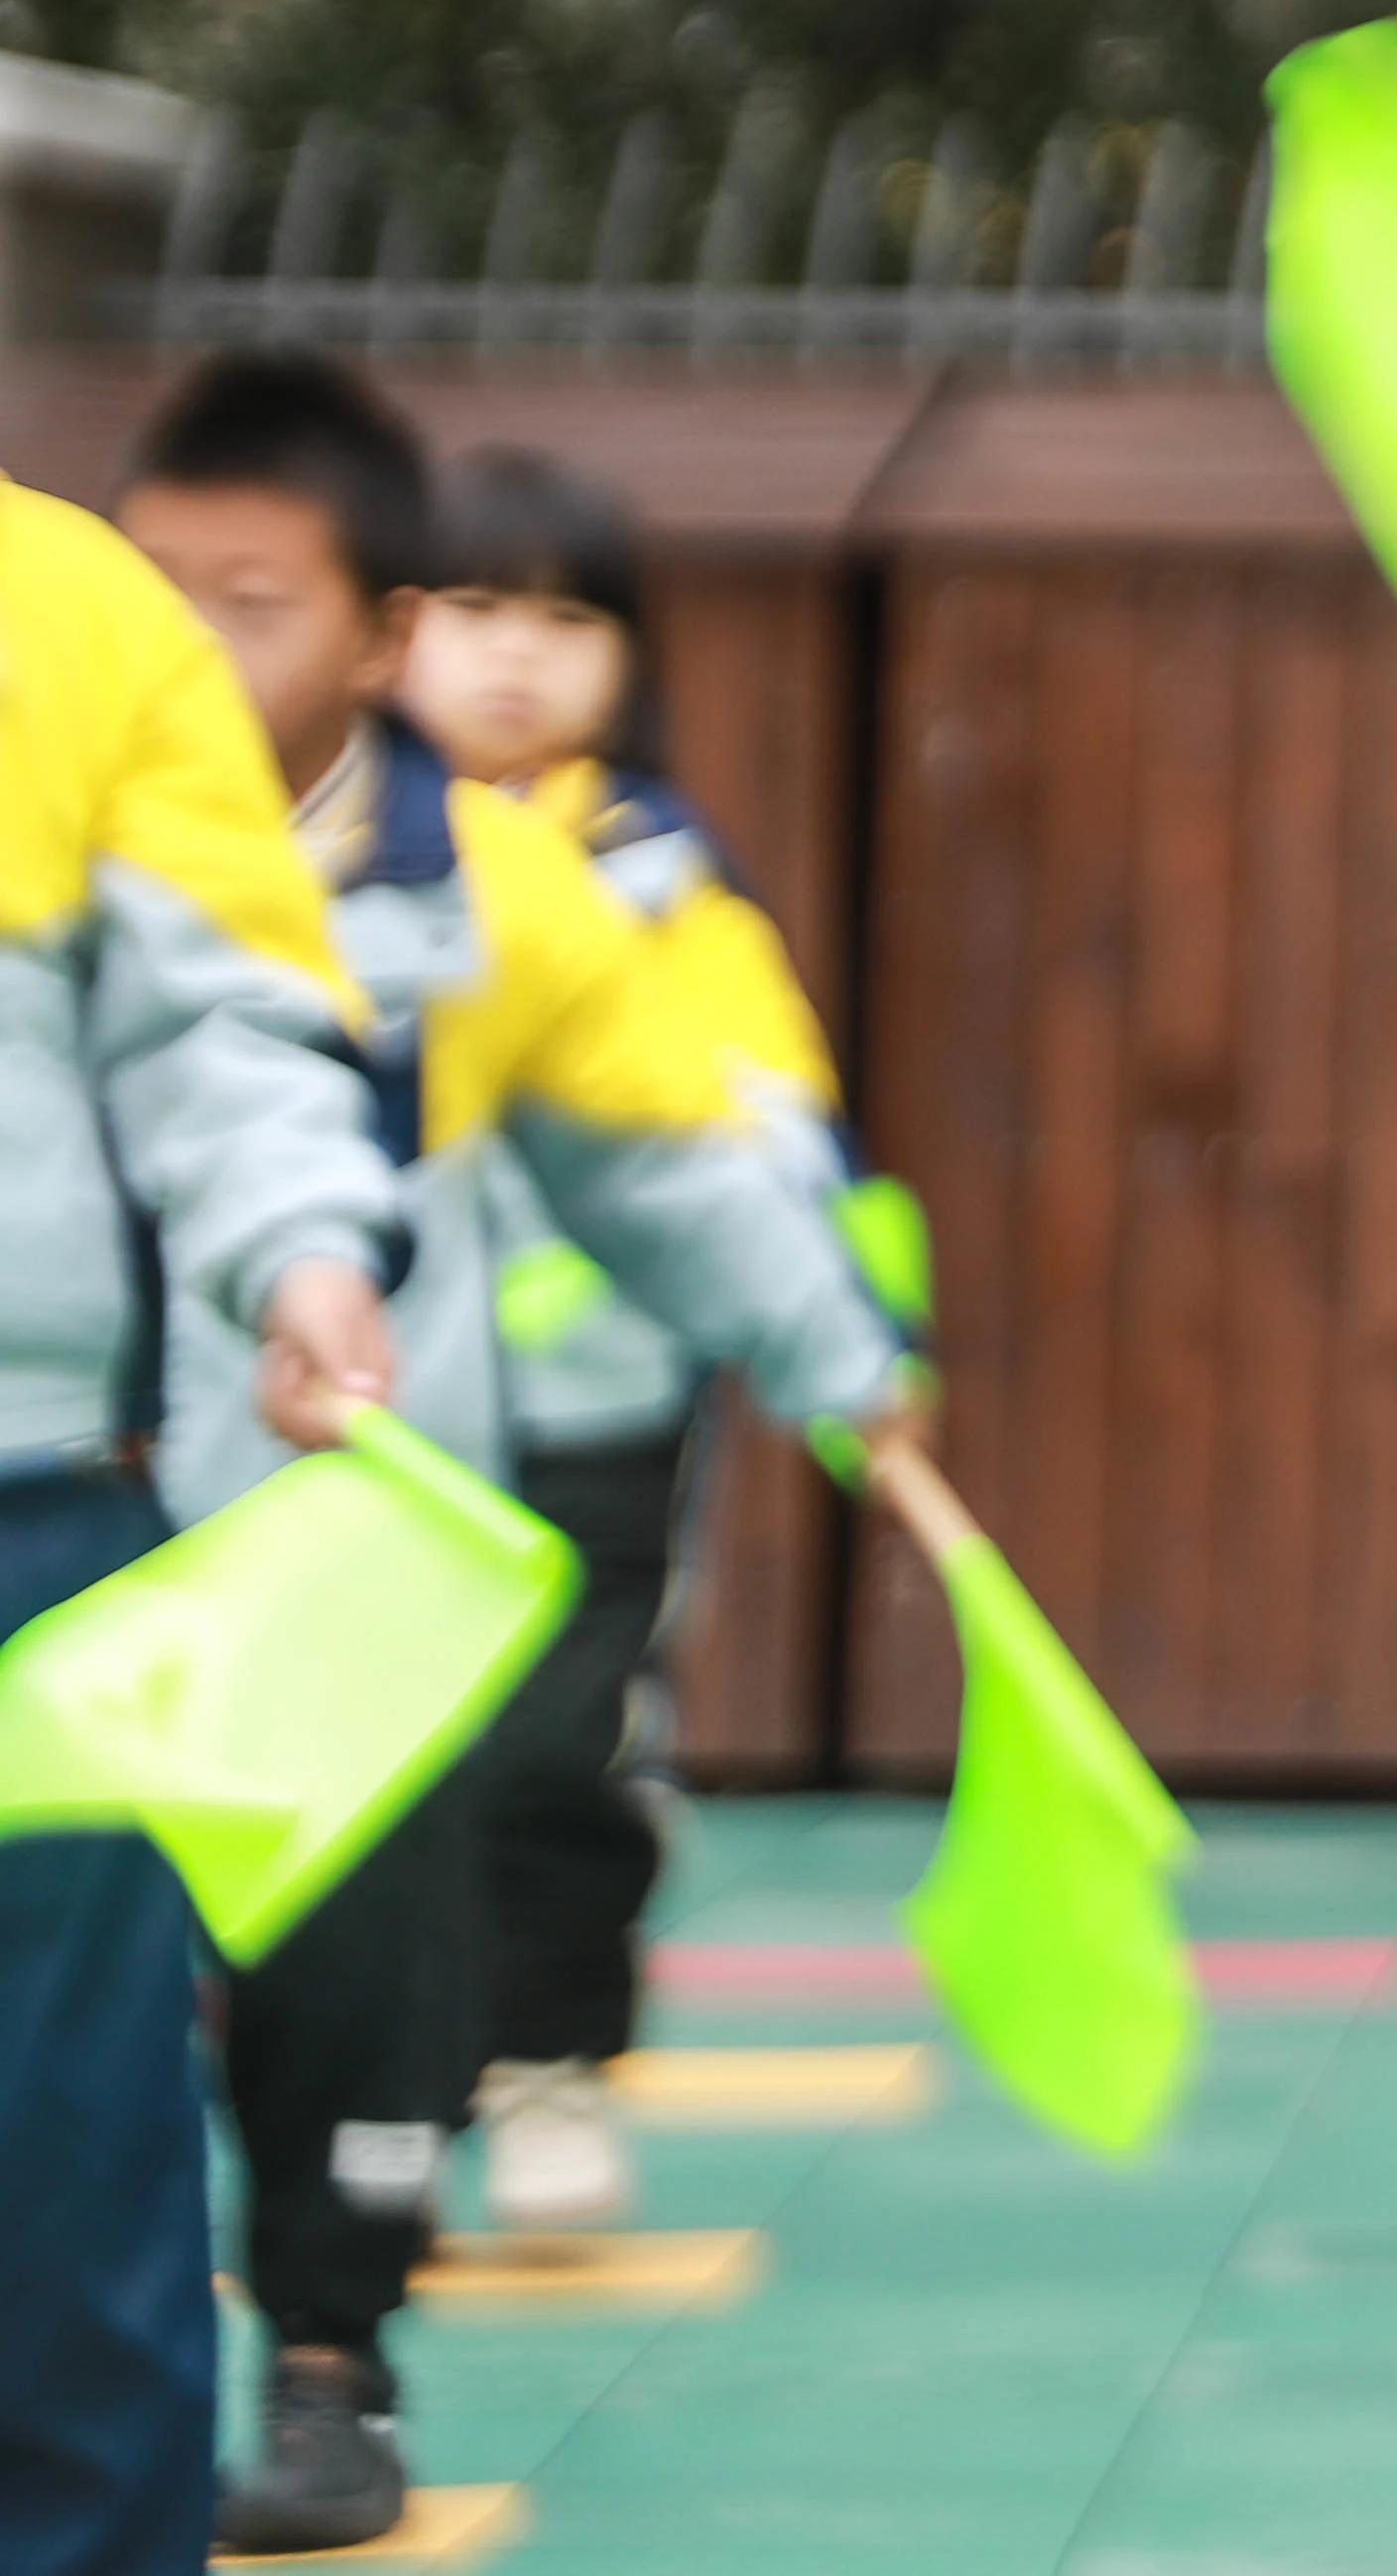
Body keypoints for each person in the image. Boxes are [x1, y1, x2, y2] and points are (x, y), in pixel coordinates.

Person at [113, 354, 918, 2558]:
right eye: (153, 584)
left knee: (361, 1949)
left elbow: (664, 1157)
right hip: (89, 1520)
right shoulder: (66, 830)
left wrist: (839, 1342)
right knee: (81, 1964)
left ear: (376, 633)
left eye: (251, 595)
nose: (187, 640)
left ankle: (328, 2356)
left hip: (358, 1531)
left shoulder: (492, 885)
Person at [395, 445, 914, 2243]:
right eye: (471, 607)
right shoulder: (309, 861)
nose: (513, 656)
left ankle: (544, 2069)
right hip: (367, 1415)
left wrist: (848, 1337)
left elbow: (771, 1135)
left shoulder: (666, 889)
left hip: (603, 1405)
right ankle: (384, 2094)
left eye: (564, 615)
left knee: (561, 1744)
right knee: (379, 1752)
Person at [0, 464, 411, 2576]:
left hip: (26, 1516)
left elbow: (227, 1017)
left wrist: (307, 1248)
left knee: (64, 2154)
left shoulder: (65, 607)